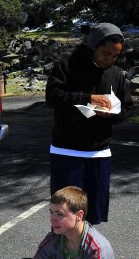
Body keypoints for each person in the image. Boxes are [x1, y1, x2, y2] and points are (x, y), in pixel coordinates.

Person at [46, 22, 133, 225]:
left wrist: (111, 115)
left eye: (115, 56)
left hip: (99, 153)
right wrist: (88, 99)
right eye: (106, 53)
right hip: (66, 150)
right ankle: (62, 246)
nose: (109, 59)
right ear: (93, 46)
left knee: (93, 212)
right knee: (65, 214)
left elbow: (126, 109)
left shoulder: (116, 74)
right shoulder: (68, 65)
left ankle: (87, 245)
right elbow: (53, 97)